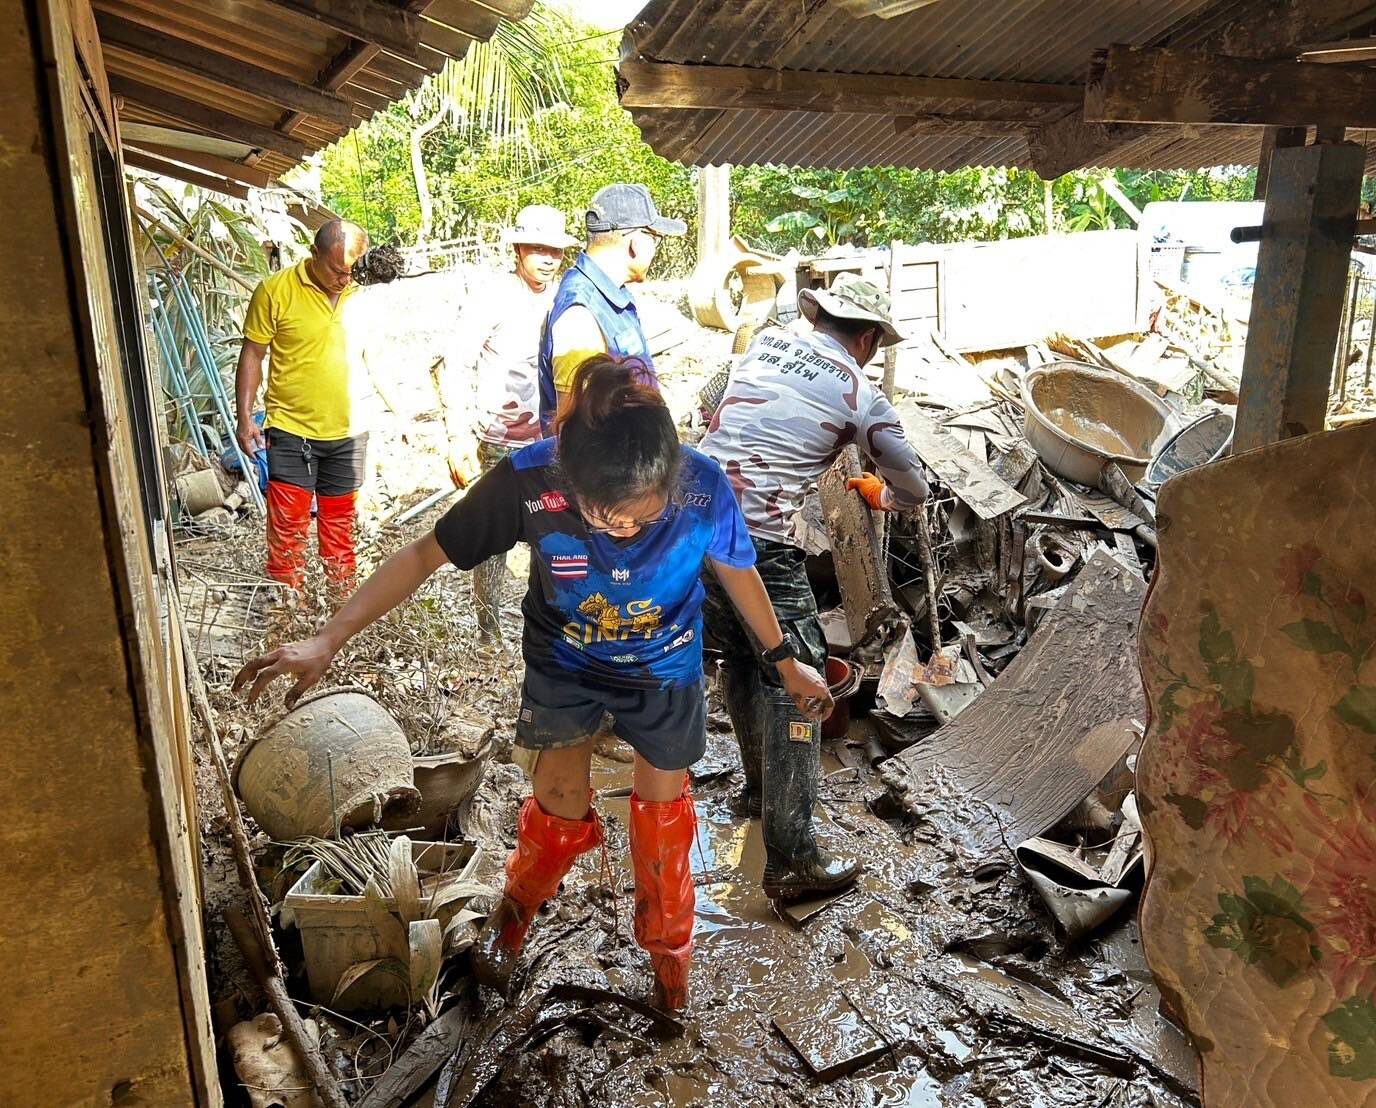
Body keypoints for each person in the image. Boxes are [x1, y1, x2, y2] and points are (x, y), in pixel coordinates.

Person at [233, 357, 832, 1012]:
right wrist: (327, 638)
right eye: (603, 515)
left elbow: (740, 572)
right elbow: (421, 554)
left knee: (664, 815)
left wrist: (782, 660)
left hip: (665, 666)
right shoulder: (525, 480)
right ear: (568, 476)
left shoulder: (704, 486)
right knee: (558, 801)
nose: (623, 530)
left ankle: (669, 964)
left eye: (640, 514)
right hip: (566, 663)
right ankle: (514, 916)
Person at [700, 273, 930, 901]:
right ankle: (794, 858)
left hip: (685, 525)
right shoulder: (859, 390)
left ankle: (759, 790)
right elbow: (915, 485)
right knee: (801, 685)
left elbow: (706, 408)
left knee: (752, 662)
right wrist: (878, 492)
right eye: (875, 346)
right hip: (755, 546)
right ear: (864, 339)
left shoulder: (763, 346)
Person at [444, 205, 577, 642]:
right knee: (492, 534)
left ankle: (548, 623)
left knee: (553, 534)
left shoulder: (564, 298)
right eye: (537, 248)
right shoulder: (493, 296)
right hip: (497, 436)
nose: (546, 258)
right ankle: (488, 628)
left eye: (554, 251)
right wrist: (455, 432)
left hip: (549, 438)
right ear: (518, 249)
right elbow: (457, 363)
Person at [235, 219, 372, 594]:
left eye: (351, 272)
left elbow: (372, 356)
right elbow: (252, 355)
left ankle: (339, 617)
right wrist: (244, 417)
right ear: (313, 255)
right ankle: (287, 616)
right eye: (337, 270)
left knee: (340, 532)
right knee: (287, 534)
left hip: (349, 431)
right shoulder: (275, 291)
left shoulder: (360, 294)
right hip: (292, 431)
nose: (345, 279)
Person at [536, 184, 686, 432]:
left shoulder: (612, 296)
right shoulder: (581, 314)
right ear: (635, 243)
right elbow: (572, 430)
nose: (655, 250)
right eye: (655, 239)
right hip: (613, 467)